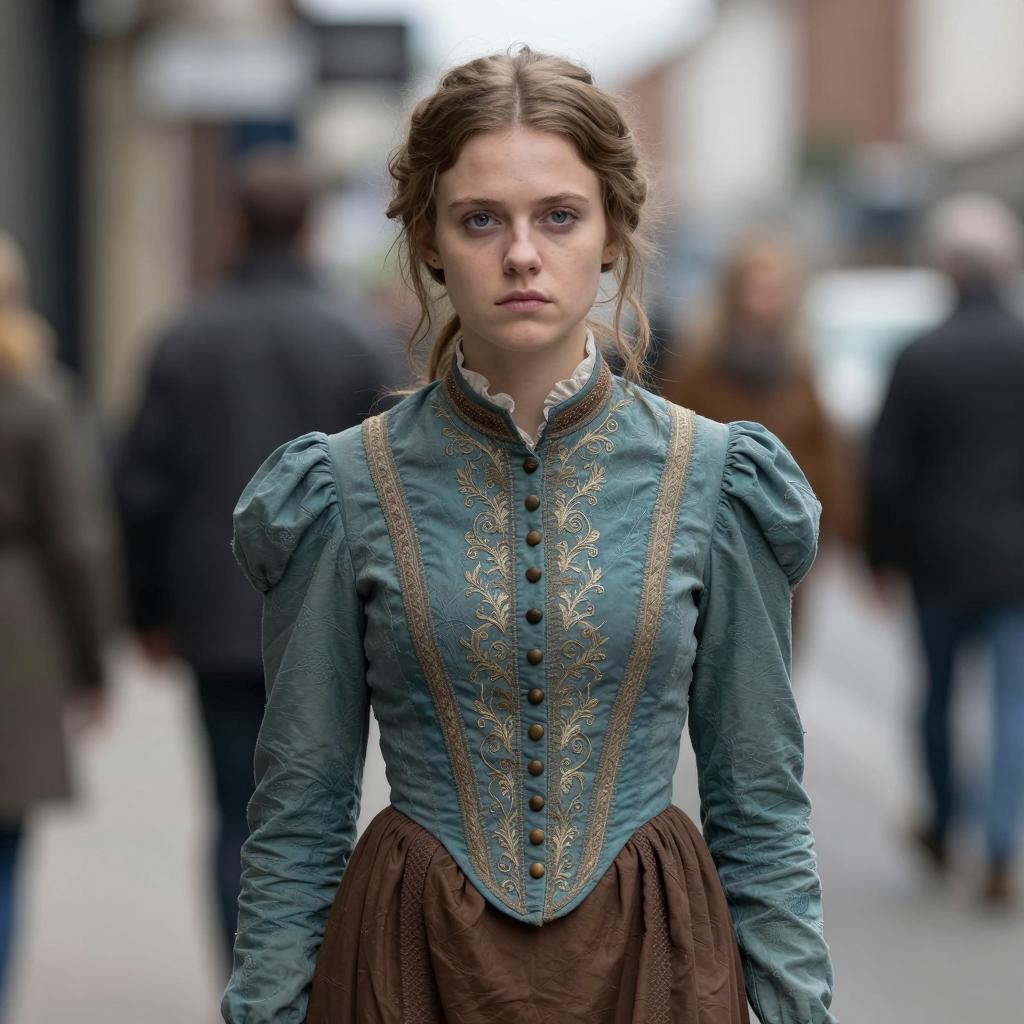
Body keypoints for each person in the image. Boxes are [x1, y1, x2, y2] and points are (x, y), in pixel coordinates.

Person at [223, 49, 837, 1024]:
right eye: (481, 219)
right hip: (410, 961)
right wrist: (263, 1006)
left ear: (609, 236)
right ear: (428, 240)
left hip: (652, 962)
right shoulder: (343, 487)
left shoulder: (713, 479)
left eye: (557, 215)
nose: (521, 253)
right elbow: (299, 804)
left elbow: (757, 797)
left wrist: (800, 1007)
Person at [114, 147, 399, 969]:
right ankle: (312, 981)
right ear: (311, 228)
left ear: (238, 225)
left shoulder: (183, 336)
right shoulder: (359, 339)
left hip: (214, 618)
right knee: (323, 807)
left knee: (236, 812)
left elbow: (140, 489)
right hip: (336, 621)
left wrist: (148, 613)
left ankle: (249, 982)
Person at [866, 191, 1024, 907]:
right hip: (1016, 564)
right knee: (1013, 704)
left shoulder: (919, 356)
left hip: (936, 562)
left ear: (949, 268)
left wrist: (879, 556)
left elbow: (887, 469)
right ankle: (999, 843)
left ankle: (942, 821)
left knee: (936, 695)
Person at [0, 233, 116, 1013]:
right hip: (16, 630)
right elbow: (79, 540)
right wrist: (92, 665)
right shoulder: (35, 395)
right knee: (4, 849)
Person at [661, 235, 859, 629]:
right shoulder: (698, 370)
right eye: (757, 288)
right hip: (714, 550)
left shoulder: (799, 371)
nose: (767, 301)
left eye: (777, 290)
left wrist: (843, 533)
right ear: (733, 293)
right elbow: (671, 449)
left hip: (788, 550)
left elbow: (825, 457)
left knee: (780, 668)